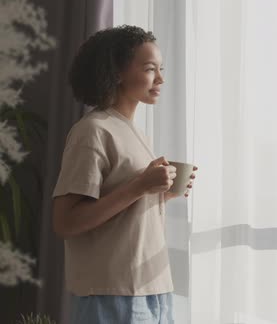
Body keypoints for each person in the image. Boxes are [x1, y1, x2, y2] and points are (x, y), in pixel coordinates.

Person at [51, 25, 195, 324]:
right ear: (117, 72)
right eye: (149, 69)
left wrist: (162, 194)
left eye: (161, 69)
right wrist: (140, 187)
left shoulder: (133, 132)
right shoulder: (92, 131)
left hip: (153, 287)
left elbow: (121, 210)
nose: (161, 79)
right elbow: (65, 222)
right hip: (112, 292)